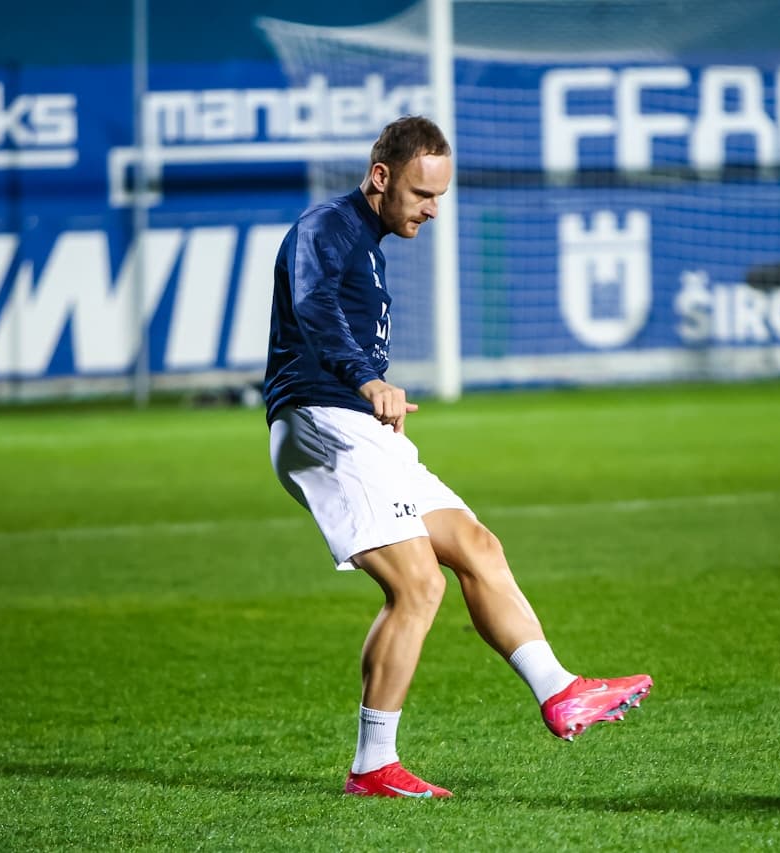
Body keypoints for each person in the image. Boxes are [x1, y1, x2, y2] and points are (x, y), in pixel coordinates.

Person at [262, 116, 652, 799]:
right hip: (324, 419)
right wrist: (368, 380)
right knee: (418, 585)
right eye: (422, 194)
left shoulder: (367, 241)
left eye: (439, 196)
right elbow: (315, 305)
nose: (432, 210)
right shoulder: (328, 226)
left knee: (476, 545)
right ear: (380, 176)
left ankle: (559, 690)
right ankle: (373, 766)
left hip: (361, 424)